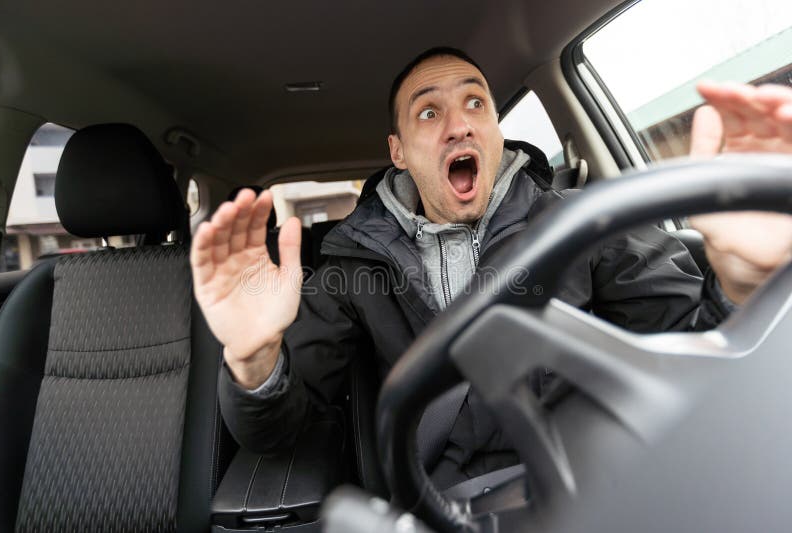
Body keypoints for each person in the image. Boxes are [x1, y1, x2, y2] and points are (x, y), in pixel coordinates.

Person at [191, 47, 792, 489]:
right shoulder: (352, 266)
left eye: (476, 102)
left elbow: (695, 351)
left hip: (585, 490)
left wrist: (742, 283)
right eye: (428, 113)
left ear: (497, 133)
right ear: (397, 151)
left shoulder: (583, 226)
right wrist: (253, 359)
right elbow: (277, 432)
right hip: (432, 504)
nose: (460, 123)